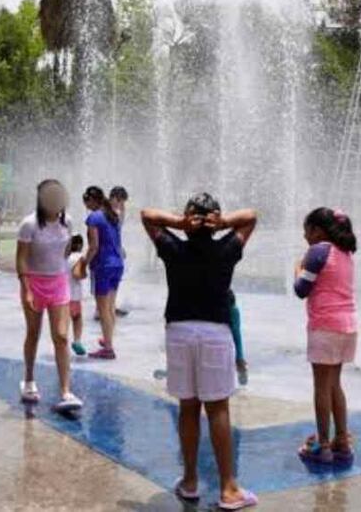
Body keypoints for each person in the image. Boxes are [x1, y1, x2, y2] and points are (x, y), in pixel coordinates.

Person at [141, 193, 258, 510]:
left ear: (189, 220)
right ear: (214, 222)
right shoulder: (226, 248)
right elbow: (251, 216)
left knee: (188, 407)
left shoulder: (173, 247)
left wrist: (177, 223)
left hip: (178, 331)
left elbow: (147, 214)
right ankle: (228, 489)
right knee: (218, 409)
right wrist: (224, 222)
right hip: (215, 332)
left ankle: (190, 481)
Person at [294, 207, 358, 464]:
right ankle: (341, 440)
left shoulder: (319, 250)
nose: (304, 237)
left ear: (317, 230)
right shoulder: (345, 251)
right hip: (348, 326)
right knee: (335, 385)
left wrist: (297, 268)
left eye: (306, 231)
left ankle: (322, 445)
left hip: (325, 326)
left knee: (321, 387)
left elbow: (301, 289)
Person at [16, 179, 83, 412]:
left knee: (62, 337)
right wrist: (25, 288)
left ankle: (65, 391)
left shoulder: (69, 222)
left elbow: (65, 252)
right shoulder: (29, 224)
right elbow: (21, 257)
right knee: (33, 333)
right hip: (34, 282)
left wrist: (62, 272)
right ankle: (29, 380)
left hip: (59, 283)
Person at [82, 186, 125, 359]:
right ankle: (108, 339)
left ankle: (108, 348)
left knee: (103, 309)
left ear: (91, 200)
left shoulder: (94, 218)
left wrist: (83, 263)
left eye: (86, 201)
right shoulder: (112, 215)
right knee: (110, 306)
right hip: (117, 264)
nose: (85, 205)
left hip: (103, 266)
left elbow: (94, 246)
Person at [109, 186, 130, 318]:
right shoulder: (107, 213)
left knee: (113, 281)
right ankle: (103, 310)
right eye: (121, 201)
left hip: (114, 252)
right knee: (106, 281)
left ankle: (110, 307)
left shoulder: (116, 212)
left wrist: (119, 247)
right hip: (107, 253)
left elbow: (117, 232)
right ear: (115, 199)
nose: (123, 205)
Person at [66, 235, 87, 356]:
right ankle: (77, 341)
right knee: (77, 318)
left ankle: (61, 339)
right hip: (74, 295)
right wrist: (84, 274)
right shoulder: (79, 258)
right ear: (80, 246)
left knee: (64, 320)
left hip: (62, 295)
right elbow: (77, 274)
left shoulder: (64, 258)